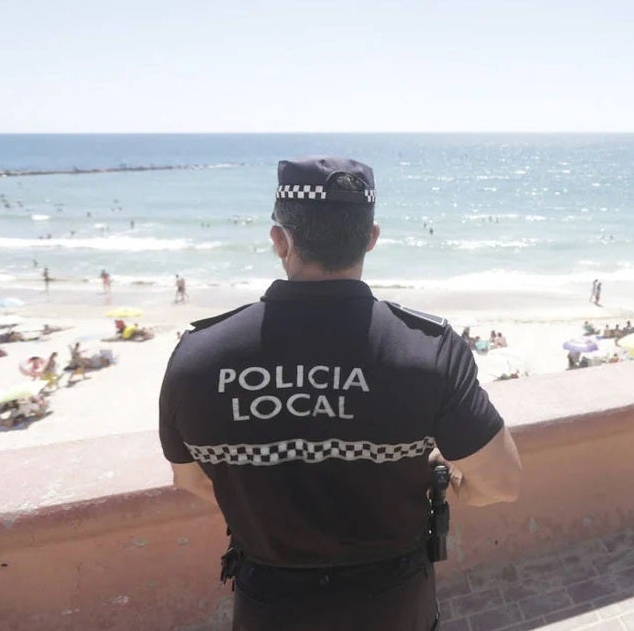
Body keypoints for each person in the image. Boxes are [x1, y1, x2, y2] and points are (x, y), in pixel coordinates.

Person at [158, 156, 521, 631]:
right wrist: (451, 484)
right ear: (370, 237)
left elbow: (192, 482)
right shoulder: (427, 349)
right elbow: (500, 484)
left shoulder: (197, 358)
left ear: (280, 240)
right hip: (393, 602)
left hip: (270, 603)